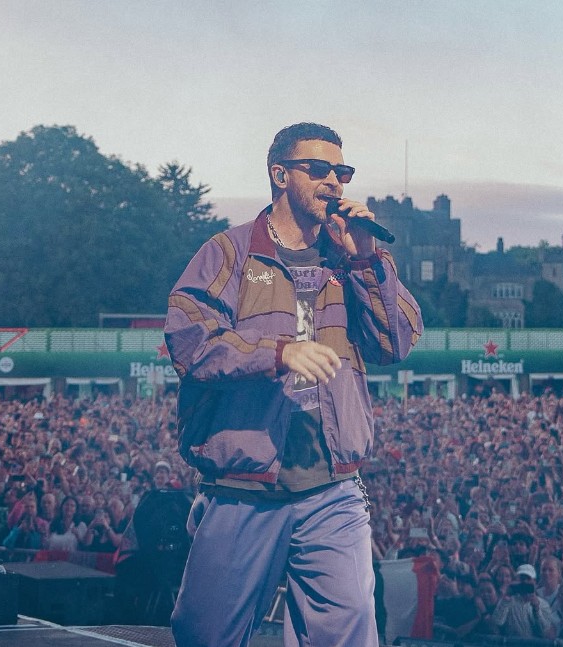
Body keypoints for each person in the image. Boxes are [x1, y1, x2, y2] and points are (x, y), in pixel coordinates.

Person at [165, 122, 423, 647]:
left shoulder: (351, 256)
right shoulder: (230, 252)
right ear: (280, 175)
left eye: (342, 171)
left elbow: (396, 342)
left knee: (348, 633)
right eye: (319, 169)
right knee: (206, 634)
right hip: (245, 485)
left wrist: (366, 258)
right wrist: (278, 353)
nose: (335, 181)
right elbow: (191, 339)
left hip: (333, 487)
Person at [492, 563, 557, 639]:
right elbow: (497, 622)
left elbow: (544, 631)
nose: (525, 581)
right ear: (517, 581)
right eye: (522, 579)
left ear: (534, 581)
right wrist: (505, 599)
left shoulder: (543, 604)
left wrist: (536, 609)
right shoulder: (508, 601)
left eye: (528, 579)